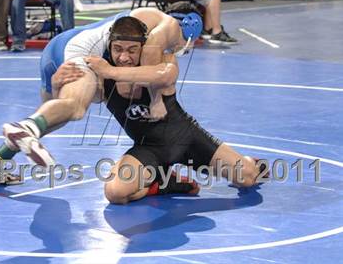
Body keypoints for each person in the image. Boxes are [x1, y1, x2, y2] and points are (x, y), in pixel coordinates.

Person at [0, 5, 204, 183]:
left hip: (59, 47)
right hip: (78, 52)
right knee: (74, 107)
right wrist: (156, 100)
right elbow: (134, 83)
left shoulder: (144, 21)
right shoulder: (169, 27)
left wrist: (58, 85)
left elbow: (105, 91)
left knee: (51, 119)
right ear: (189, 34)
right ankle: (25, 127)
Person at [58, 18, 265, 204]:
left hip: (187, 139)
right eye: (118, 49)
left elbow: (165, 76)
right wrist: (57, 82)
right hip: (150, 150)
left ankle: (248, 162)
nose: (123, 57)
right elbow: (76, 104)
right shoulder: (102, 75)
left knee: (247, 177)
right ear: (109, 47)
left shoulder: (163, 61)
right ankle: (164, 183)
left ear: (143, 49)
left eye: (132, 50)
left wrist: (112, 71)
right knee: (115, 193)